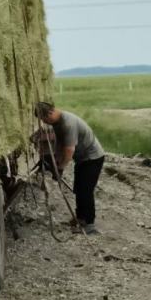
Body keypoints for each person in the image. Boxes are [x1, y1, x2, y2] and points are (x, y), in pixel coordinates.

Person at [34, 101, 105, 235]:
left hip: (92, 158)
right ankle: (80, 218)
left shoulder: (68, 123)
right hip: (82, 159)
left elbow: (69, 150)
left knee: (85, 190)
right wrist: (56, 163)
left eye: (44, 119)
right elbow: (61, 145)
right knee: (78, 188)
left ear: (50, 113)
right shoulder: (57, 123)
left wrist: (60, 168)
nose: (45, 122)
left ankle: (89, 225)